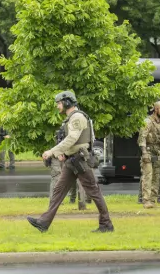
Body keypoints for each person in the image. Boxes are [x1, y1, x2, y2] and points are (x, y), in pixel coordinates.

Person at [27, 91, 114, 233]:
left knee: (94, 192)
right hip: (72, 160)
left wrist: (52, 151)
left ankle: (106, 224)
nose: (57, 106)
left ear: (67, 102)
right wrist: (64, 153)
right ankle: (44, 222)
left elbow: (72, 138)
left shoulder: (77, 117)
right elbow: (74, 141)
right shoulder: (72, 118)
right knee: (58, 191)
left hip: (79, 161)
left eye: (59, 103)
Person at [138, 101, 160, 209]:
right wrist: (144, 153)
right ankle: (146, 200)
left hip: (159, 154)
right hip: (149, 153)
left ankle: (152, 200)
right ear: (156, 110)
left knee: (157, 178)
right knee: (148, 177)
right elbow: (142, 138)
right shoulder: (148, 122)